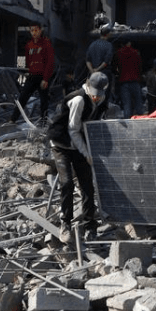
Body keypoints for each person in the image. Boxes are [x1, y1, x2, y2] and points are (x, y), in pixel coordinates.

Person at [48, 72, 109, 243]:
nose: (97, 98)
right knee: (67, 183)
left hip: (80, 144)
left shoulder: (101, 98)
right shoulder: (78, 100)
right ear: (88, 86)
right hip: (62, 144)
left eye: (100, 95)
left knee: (87, 185)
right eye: (94, 94)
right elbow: (73, 130)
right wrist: (86, 153)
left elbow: (96, 124)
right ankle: (65, 223)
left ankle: (90, 226)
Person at [10, 23, 55, 123]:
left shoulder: (46, 43)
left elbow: (50, 62)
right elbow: (27, 61)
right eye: (32, 30)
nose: (34, 32)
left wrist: (46, 79)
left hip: (42, 76)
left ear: (40, 30)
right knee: (22, 98)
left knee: (44, 101)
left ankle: (43, 121)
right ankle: (13, 119)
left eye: (36, 30)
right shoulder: (29, 45)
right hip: (32, 75)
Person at [115, 39, 144, 118]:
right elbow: (140, 67)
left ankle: (128, 121)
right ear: (130, 43)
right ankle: (141, 120)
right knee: (138, 103)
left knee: (126, 104)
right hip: (135, 80)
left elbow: (116, 66)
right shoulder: (136, 52)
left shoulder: (119, 53)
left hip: (124, 81)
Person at [85, 24, 114, 98]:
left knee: (94, 95)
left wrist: (92, 71)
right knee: (105, 95)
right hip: (104, 74)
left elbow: (88, 60)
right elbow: (106, 62)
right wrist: (98, 69)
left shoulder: (92, 44)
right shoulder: (109, 45)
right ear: (107, 34)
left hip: (93, 75)